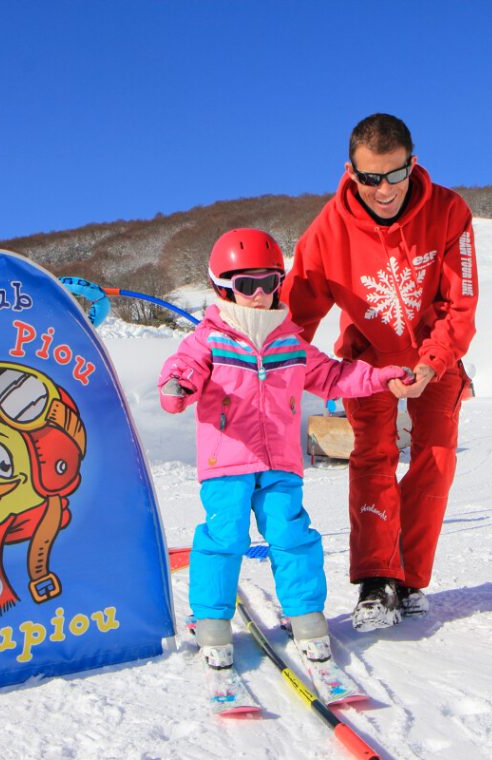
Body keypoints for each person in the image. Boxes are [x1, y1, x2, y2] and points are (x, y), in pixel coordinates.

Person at [158, 228, 410, 669]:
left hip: (280, 462)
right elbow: (185, 369)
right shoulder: (211, 338)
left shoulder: (289, 341)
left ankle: (304, 613)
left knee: (292, 535)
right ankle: (212, 619)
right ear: (222, 287)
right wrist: (177, 386)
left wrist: (378, 377)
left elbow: (333, 377)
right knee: (224, 537)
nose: (258, 294)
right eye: (246, 284)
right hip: (226, 461)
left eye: (269, 282)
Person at [283, 113, 478, 631]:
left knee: (434, 458)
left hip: (434, 359)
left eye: (395, 174)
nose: (384, 189)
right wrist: (258, 358)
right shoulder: (328, 230)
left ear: (413, 164)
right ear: (350, 172)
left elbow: (460, 304)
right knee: (374, 457)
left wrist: (431, 363)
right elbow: (292, 317)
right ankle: (376, 579)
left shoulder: (450, 211)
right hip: (367, 363)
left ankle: (409, 579)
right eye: (370, 178)